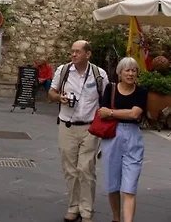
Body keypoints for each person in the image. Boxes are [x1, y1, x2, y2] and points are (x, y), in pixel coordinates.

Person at [48, 40, 109, 222]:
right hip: (67, 126)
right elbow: (51, 93)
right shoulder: (63, 71)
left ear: (88, 54)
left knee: (86, 169)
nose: (73, 55)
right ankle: (73, 207)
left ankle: (87, 211)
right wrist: (59, 97)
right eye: (72, 51)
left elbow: (105, 99)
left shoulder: (99, 74)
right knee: (70, 169)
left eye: (77, 52)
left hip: (90, 128)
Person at [98, 57, 147, 222]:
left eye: (134, 70)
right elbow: (102, 112)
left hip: (133, 137)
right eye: (127, 70)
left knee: (129, 186)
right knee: (112, 183)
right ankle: (116, 218)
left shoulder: (141, 92)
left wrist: (112, 113)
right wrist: (120, 113)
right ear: (120, 73)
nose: (131, 74)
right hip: (112, 136)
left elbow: (135, 114)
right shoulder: (110, 88)